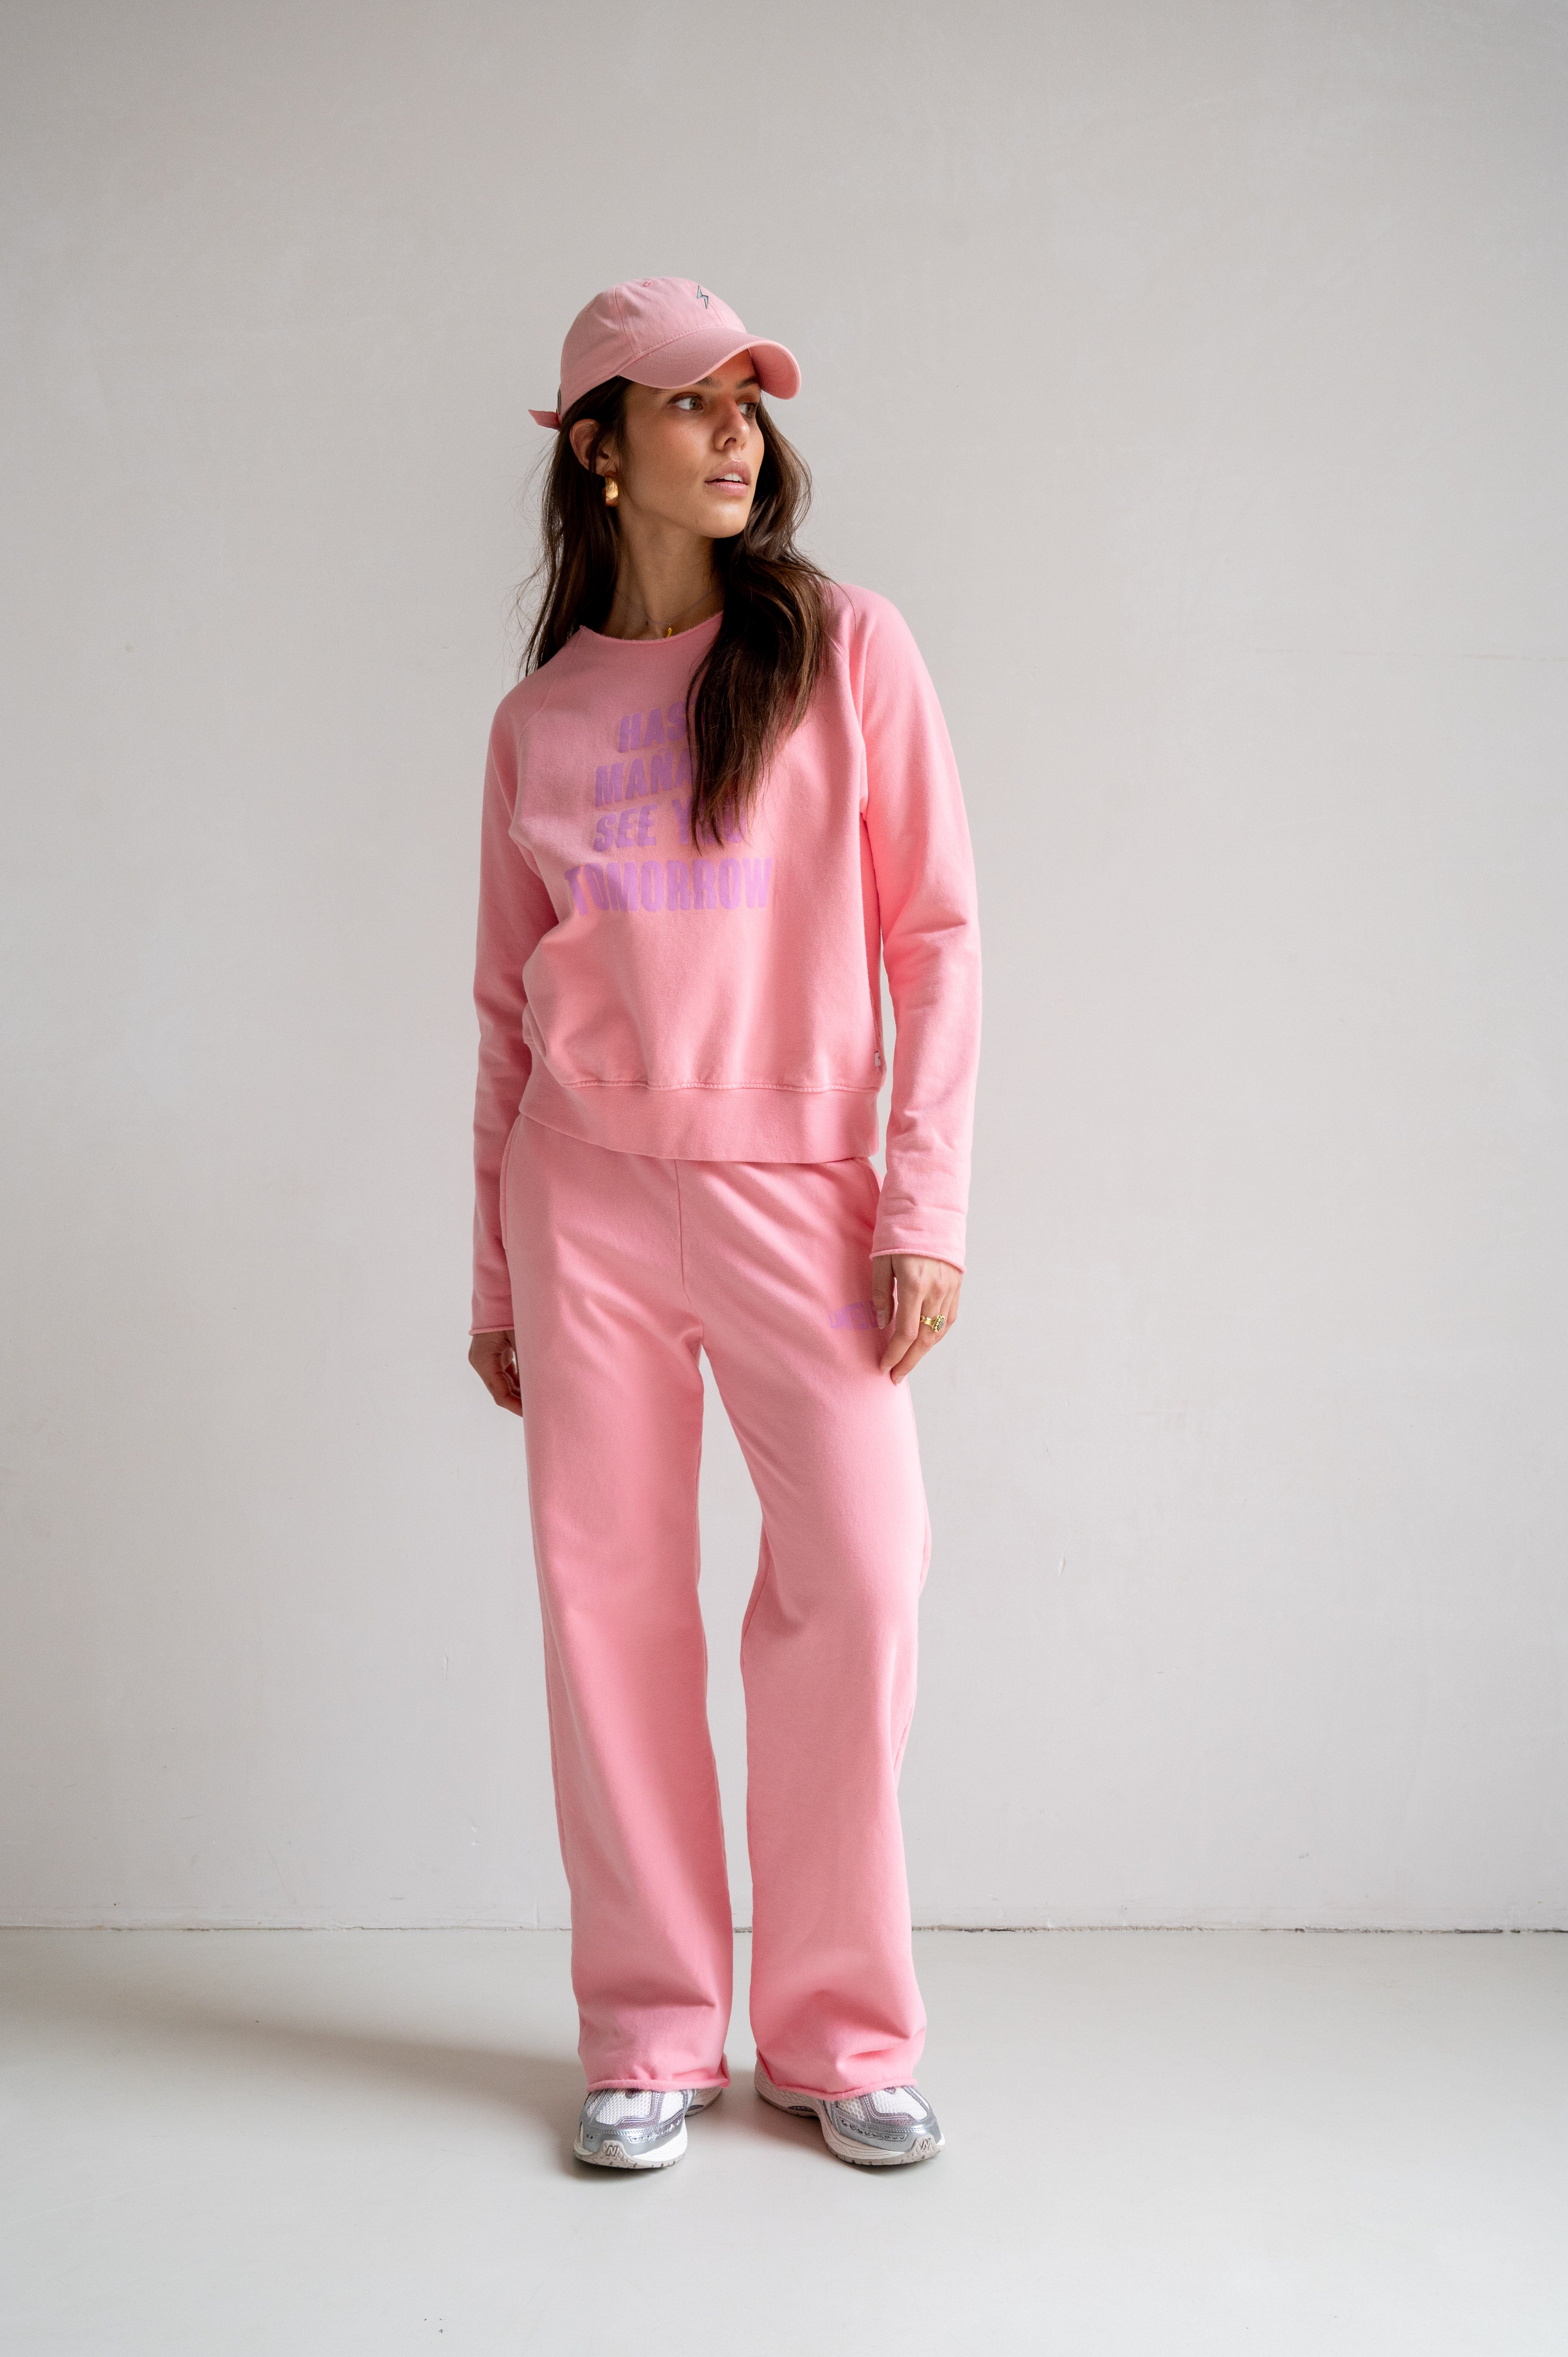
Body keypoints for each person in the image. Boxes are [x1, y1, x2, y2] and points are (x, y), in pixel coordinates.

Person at [466, 277, 981, 2171]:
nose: (732, 432)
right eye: (686, 403)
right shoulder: (537, 721)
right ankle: (650, 2029)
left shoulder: (847, 649)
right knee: (608, 1609)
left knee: (862, 1577)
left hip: (807, 1194)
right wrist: (496, 1274)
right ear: (597, 450)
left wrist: (921, 1204)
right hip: (584, 1199)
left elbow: (936, 940)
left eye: (745, 402)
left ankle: (838, 2037)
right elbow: (504, 1014)